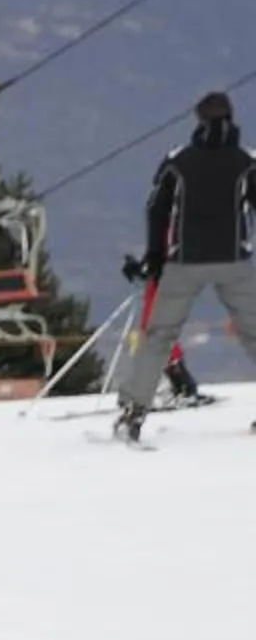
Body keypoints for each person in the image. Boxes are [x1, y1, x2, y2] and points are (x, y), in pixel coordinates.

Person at [113, 91, 256, 443]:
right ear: (231, 119)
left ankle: (133, 413)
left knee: (159, 337)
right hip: (234, 261)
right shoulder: (248, 162)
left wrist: (155, 257)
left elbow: (156, 209)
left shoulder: (178, 161)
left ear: (199, 120)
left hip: (184, 262)